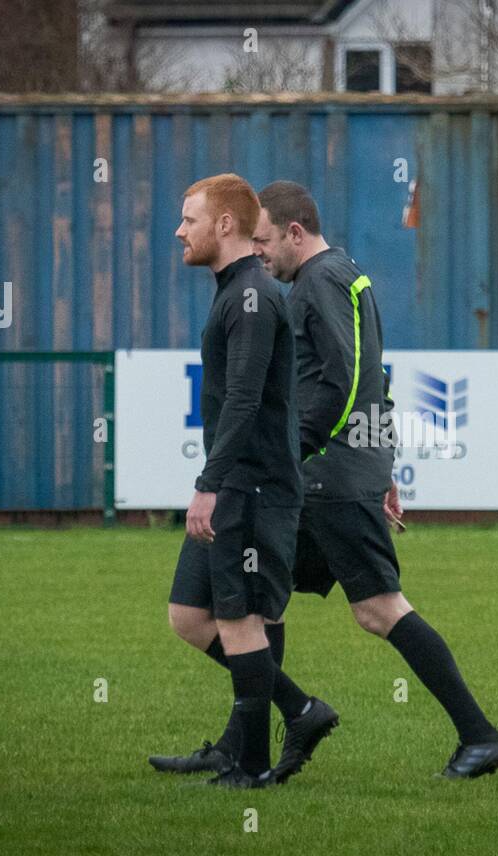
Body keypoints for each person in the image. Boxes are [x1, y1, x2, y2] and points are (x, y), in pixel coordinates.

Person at [247, 179, 498, 780]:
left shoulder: (317, 283)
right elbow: (375, 377)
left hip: (326, 480)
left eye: (263, 241)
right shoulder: (346, 273)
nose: (257, 253)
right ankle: (251, 744)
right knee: (261, 600)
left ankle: (480, 735)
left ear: (294, 232)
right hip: (343, 471)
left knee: (378, 609)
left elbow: (342, 380)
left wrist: (295, 454)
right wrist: (383, 462)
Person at [149, 173, 334, 789]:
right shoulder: (234, 289)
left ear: (225, 225)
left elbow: (245, 402)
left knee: (241, 623)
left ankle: (248, 760)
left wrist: (210, 483)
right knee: (187, 615)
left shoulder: (252, 296)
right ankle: (300, 711)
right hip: (236, 485)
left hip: (252, 488)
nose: (179, 230)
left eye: (189, 219)